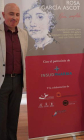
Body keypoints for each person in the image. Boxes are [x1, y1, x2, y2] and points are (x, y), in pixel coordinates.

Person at [0, 3, 28, 140]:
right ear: (3, 15)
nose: (14, 17)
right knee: (1, 118)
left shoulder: (23, 34)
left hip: (17, 81)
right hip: (2, 81)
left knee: (13, 117)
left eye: (17, 15)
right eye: (11, 14)